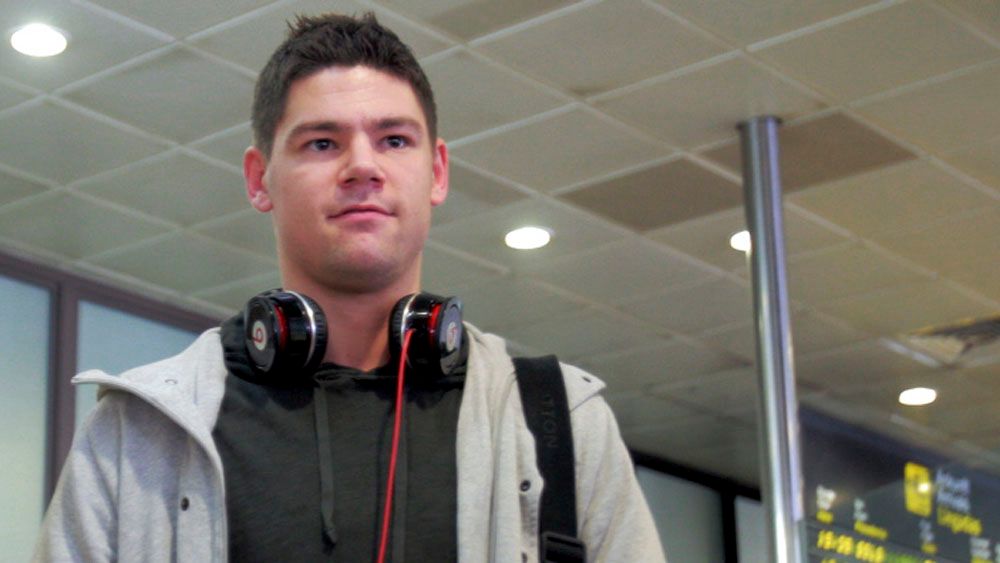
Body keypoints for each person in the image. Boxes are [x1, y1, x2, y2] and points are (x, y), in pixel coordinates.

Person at [33, 12, 665, 563]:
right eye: (322, 142)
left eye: (394, 140)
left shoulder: (558, 424)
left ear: (437, 172)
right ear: (259, 178)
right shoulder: (142, 432)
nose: (363, 165)